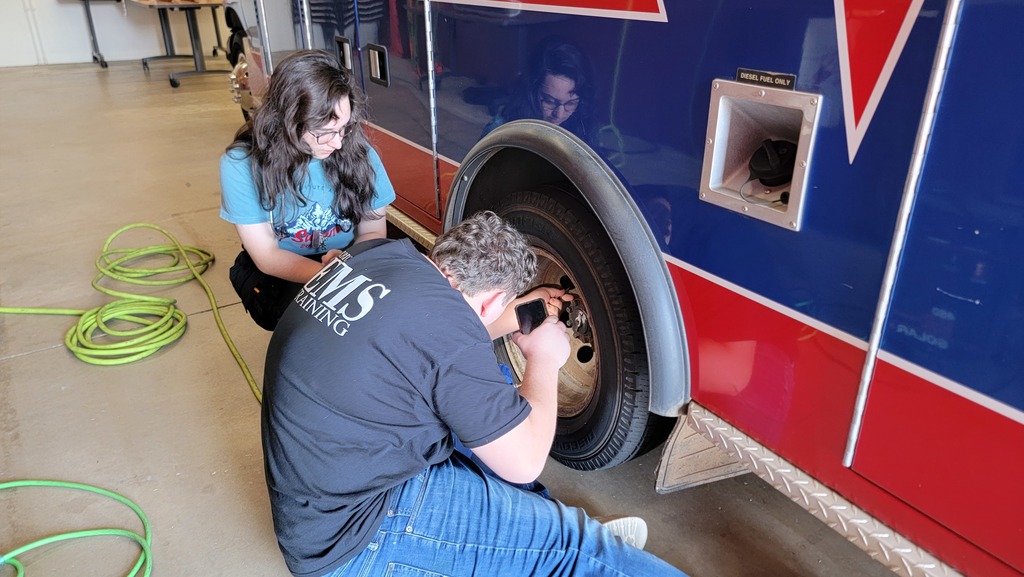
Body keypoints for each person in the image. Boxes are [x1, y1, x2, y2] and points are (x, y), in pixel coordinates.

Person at [261, 211, 688, 577]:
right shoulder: (447, 331)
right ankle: (554, 547)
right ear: (494, 300)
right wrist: (544, 359)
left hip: (322, 493)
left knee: (492, 383)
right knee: (571, 547)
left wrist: (519, 313)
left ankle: (524, 532)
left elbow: (428, 338)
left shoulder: (378, 255)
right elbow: (524, 463)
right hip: (352, 540)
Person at [220, 49, 396, 330]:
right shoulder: (241, 164)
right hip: (283, 269)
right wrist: (334, 276)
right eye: (324, 133)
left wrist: (349, 264)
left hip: (349, 259)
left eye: (345, 128)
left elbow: (373, 231)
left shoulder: (357, 152)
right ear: (287, 121)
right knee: (317, 322)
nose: (338, 143)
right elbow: (267, 256)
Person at [481, 37, 596, 143]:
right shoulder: (498, 131)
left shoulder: (581, 124)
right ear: (531, 91)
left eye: (570, 103)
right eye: (549, 101)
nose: (559, 115)